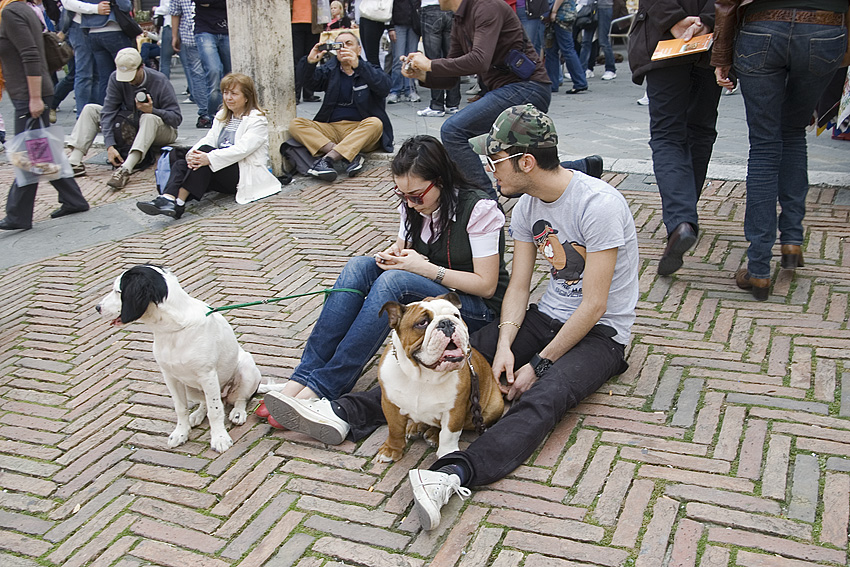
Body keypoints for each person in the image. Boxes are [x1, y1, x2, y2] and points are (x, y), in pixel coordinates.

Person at [264, 105, 638, 532]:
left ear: (526, 162)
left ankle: (451, 473)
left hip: (602, 334)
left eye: (495, 161)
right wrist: (500, 347)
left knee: (543, 397)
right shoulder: (526, 208)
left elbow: (594, 306)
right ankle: (343, 413)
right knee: (458, 356)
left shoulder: (599, 205)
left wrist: (539, 364)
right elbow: (517, 288)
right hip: (546, 314)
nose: (488, 168)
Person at [262, 134, 508, 412]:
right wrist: (392, 254)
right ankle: (303, 378)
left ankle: (325, 386)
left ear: (440, 180)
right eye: (401, 194)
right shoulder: (413, 204)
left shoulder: (479, 209)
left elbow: (486, 286)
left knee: (394, 282)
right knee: (360, 267)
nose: (410, 203)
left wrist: (424, 268)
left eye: (415, 196)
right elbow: (405, 252)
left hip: (474, 309)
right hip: (431, 297)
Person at [714, 2, 848, 299]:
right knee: (793, 131)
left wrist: (721, 53)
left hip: (762, 27)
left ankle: (759, 268)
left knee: (764, 146)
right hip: (825, 28)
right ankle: (791, 242)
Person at [400, 0, 552, 198]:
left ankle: (484, 202)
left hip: (528, 87)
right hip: (508, 90)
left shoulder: (487, 6)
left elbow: (480, 60)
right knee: (514, 182)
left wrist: (430, 64)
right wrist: (421, 74)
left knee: (453, 130)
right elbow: (450, 78)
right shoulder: (460, 19)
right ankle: (580, 168)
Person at [628, 0, 721, 276]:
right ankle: (685, 217)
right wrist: (707, 20)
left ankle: (682, 221)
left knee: (668, 135)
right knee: (700, 131)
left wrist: (674, 20)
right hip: (709, 41)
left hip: (664, 39)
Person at [136, 73, 281, 218]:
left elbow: (242, 150)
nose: (228, 98)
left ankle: (174, 201)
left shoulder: (257, 120)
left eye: (234, 94)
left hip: (243, 173)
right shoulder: (223, 115)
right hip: (219, 167)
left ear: (247, 97)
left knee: (204, 155)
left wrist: (208, 157)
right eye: (225, 93)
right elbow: (209, 139)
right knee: (181, 159)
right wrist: (193, 153)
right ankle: (172, 201)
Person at [0, 0, 89, 230]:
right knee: (42, 151)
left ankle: (17, 214)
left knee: (26, 153)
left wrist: (35, 97)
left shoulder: (11, 11)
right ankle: (73, 199)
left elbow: (30, 53)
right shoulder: (21, 9)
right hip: (31, 92)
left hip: (29, 94)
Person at [66, 47, 182, 189]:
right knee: (90, 109)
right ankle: (75, 161)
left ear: (142, 67)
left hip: (162, 129)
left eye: (132, 76)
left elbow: (176, 119)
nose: (129, 81)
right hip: (130, 125)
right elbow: (108, 112)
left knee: (148, 117)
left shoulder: (159, 80)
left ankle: (126, 168)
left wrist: (153, 110)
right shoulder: (116, 78)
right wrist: (110, 145)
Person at [290, 31, 393, 182]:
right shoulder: (331, 70)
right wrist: (310, 62)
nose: (343, 49)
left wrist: (359, 66)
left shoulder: (370, 69)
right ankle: (348, 154)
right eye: (339, 45)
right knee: (295, 124)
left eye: (349, 44)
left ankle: (328, 159)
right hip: (332, 129)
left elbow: (384, 88)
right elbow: (310, 83)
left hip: (360, 130)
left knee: (376, 123)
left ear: (358, 50)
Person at [80, 0, 134, 105]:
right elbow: (125, 6)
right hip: (113, 28)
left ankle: (105, 113)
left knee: (105, 78)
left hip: (92, 32)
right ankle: (129, 110)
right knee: (127, 73)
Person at [415, 0, 462, 117]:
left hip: (430, 9)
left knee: (432, 61)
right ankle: (453, 103)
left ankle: (436, 104)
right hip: (450, 9)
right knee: (452, 58)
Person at [172, 0, 212, 128]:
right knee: (207, 72)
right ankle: (208, 111)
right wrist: (174, 36)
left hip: (194, 32)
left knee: (199, 72)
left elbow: (175, 12)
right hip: (200, 32)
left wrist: (174, 36)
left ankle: (206, 112)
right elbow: (175, 12)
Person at [193, 0, 231, 117]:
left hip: (228, 29)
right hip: (205, 29)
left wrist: (212, 3)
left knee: (231, 75)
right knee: (214, 70)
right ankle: (214, 115)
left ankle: (230, 112)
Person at [546, 0, 590, 94]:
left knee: (565, 50)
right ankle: (554, 84)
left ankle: (580, 82)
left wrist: (554, 11)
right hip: (564, 14)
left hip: (561, 14)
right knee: (552, 50)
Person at [386, 0, 421, 104]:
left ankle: (410, 89)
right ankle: (395, 90)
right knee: (398, 59)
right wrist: (390, 27)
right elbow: (389, 6)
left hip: (414, 23)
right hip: (398, 23)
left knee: (412, 60)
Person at [292, 0, 322, 103]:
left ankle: (308, 93)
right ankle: (295, 94)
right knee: (297, 59)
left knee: (312, 58)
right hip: (294, 21)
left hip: (314, 22)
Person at [579, 0, 616, 80]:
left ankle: (610, 69)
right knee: (586, 41)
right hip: (590, 6)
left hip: (604, 6)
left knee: (603, 41)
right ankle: (583, 69)